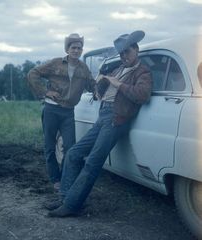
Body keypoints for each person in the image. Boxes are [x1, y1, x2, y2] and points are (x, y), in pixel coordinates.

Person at [45, 30, 153, 217]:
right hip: (102, 116)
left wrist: (117, 83)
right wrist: (100, 85)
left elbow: (142, 95)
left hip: (116, 118)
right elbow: (100, 90)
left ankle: (71, 206)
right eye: (121, 53)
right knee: (72, 153)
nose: (123, 56)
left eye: (127, 52)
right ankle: (64, 198)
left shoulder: (142, 71)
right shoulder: (118, 69)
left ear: (136, 49)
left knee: (93, 162)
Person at [27, 33, 95, 191]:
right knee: (50, 146)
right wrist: (45, 92)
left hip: (68, 112)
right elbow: (32, 74)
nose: (76, 50)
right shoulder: (56, 63)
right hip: (51, 109)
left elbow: (92, 85)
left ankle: (66, 177)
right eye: (73, 47)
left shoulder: (83, 68)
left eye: (79, 48)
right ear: (67, 49)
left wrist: (102, 85)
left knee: (71, 147)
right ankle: (55, 179)